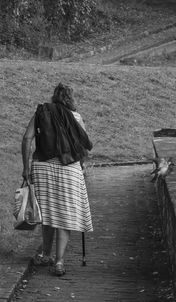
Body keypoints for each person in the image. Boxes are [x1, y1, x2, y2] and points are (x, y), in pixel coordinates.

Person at [21, 83, 93, 276]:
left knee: (47, 213)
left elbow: (27, 138)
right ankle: (59, 262)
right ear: (71, 98)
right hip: (68, 168)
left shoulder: (41, 112)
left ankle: (45, 254)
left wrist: (26, 168)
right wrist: (84, 168)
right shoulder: (75, 117)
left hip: (42, 167)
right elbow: (83, 147)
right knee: (65, 216)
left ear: (54, 96)